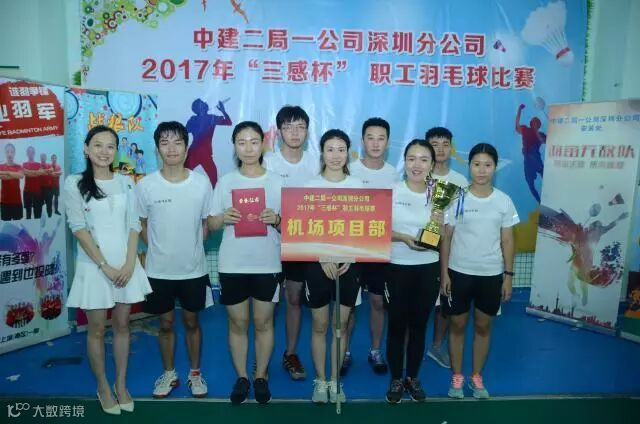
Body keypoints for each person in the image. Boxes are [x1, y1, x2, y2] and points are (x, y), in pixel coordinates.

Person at [64, 125, 151, 415]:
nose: (104, 151)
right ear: (86, 149)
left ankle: (121, 384)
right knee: (98, 329)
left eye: (110, 146)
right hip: (95, 267)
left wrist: (129, 263)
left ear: (116, 151)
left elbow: (134, 225)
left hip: (125, 266)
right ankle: (103, 386)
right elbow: (78, 228)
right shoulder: (75, 183)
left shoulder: (126, 182)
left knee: (123, 325)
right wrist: (105, 266)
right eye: (98, 145)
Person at [136, 121, 213, 399]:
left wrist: (191, 246)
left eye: (177, 142)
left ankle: (195, 373)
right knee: (165, 324)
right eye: (165, 142)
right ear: (157, 148)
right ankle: (169, 374)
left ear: (186, 147)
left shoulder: (201, 183)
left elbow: (206, 223)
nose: (171, 148)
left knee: (192, 322)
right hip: (158, 271)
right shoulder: (146, 185)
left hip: (193, 270)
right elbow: (141, 223)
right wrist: (158, 247)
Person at [208, 121, 283, 404]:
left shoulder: (276, 181)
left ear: (263, 144)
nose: (248, 148)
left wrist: (276, 219)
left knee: (264, 323)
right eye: (242, 142)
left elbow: (291, 226)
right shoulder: (226, 182)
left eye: (254, 142)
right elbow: (211, 223)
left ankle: (261, 375)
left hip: (268, 264)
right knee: (238, 324)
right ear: (234, 147)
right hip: (233, 265)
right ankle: (241, 377)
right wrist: (222, 218)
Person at [440, 143, 519, 399]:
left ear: (495, 168)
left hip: (491, 275)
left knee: (484, 326)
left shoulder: (503, 201)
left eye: (487, 165)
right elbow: (446, 237)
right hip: (458, 272)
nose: (482, 170)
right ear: (469, 166)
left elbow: (507, 240)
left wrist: (508, 276)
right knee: (457, 325)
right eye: (477, 164)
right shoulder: (457, 197)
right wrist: (444, 273)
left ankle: (476, 376)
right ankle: (457, 377)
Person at [304, 129, 363, 403]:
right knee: (320, 324)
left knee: (340, 326)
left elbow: (366, 229)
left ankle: (336, 380)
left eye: (341, 149)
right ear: (322, 153)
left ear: (348, 153)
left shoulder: (358, 187)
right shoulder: (309, 187)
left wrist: (350, 255)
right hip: (317, 264)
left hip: (349, 265)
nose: (336, 155)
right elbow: (301, 229)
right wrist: (321, 256)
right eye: (330, 149)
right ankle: (320, 380)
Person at [384, 139, 443, 403]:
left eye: (423, 159)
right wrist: (403, 238)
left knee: (419, 326)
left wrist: (437, 226)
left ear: (432, 164)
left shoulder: (440, 194)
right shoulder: (392, 191)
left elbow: (443, 238)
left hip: (428, 268)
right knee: (397, 326)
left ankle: (413, 377)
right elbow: (379, 229)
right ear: (404, 161)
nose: (416, 165)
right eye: (411, 158)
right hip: (397, 267)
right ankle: (397, 378)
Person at [263, 105, 317, 381]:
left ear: (307, 131)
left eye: (300, 127)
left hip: (303, 244)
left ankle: (290, 353)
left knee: (294, 298)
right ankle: (262, 357)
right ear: (279, 131)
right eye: (288, 127)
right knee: (267, 304)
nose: (294, 133)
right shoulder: (267, 162)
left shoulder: (316, 163)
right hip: (270, 241)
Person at [343, 117, 398, 376]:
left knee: (377, 302)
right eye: (370, 138)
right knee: (349, 305)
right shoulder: (350, 170)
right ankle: (344, 352)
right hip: (352, 249)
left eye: (381, 138)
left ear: (388, 142)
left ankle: (375, 350)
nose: (375, 143)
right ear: (362, 141)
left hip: (379, 249)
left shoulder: (394, 174)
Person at [424, 127, 468, 369]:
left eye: (445, 144)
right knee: (417, 303)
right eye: (434, 144)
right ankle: (410, 347)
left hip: (451, 250)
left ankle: (437, 346)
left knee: (444, 301)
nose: (440, 149)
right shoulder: (418, 174)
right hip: (419, 250)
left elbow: (462, 218)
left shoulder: (460, 181)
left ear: (451, 148)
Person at [185, 98, 232, 188]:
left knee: (183, 175)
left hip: (196, 153)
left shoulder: (196, 119)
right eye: (203, 103)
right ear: (200, 108)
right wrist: (223, 111)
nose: (206, 103)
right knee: (214, 180)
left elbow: (185, 131)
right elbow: (228, 122)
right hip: (202, 153)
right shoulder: (210, 118)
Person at [515, 104, 546, 202]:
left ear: (539, 125)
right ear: (531, 123)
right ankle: (540, 202)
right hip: (528, 160)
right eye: (533, 122)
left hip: (535, 158)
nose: (534, 124)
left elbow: (545, 141)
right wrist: (519, 110)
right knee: (531, 185)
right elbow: (517, 125)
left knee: (545, 177)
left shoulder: (540, 134)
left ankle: (548, 198)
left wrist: (536, 132)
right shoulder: (525, 129)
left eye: (536, 123)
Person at [0, 143, 24, 221]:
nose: (9, 154)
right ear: (5, 153)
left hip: (17, 202)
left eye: (11, 152)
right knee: (6, 225)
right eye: (7, 152)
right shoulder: (1, 166)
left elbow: (21, 175)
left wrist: (7, 172)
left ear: (14, 153)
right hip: (5, 202)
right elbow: (2, 177)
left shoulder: (19, 166)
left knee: (18, 225)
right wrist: (14, 175)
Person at [22, 146, 44, 219]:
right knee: (28, 215)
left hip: (37, 192)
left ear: (34, 153)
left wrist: (29, 172)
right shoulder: (24, 164)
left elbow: (40, 173)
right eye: (29, 152)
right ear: (27, 153)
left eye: (32, 152)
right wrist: (36, 172)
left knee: (37, 215)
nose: (30, 153)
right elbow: (25, 173)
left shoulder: (38, 164)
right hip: (27, 192)